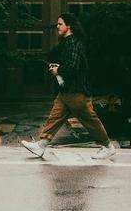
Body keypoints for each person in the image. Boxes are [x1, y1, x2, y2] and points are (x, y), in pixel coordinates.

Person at [22, 14, 118, 159]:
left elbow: (73, 66)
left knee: (90, 120)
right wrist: (59, 67)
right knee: (54, 117)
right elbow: (71, 64)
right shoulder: (68, 42)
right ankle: (41, 145)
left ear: (69, 26)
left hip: (76, 91)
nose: (57, 26)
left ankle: (107, 146)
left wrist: (58, 70)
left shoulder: (73, 43)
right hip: (67, 90)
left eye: (60, 24)